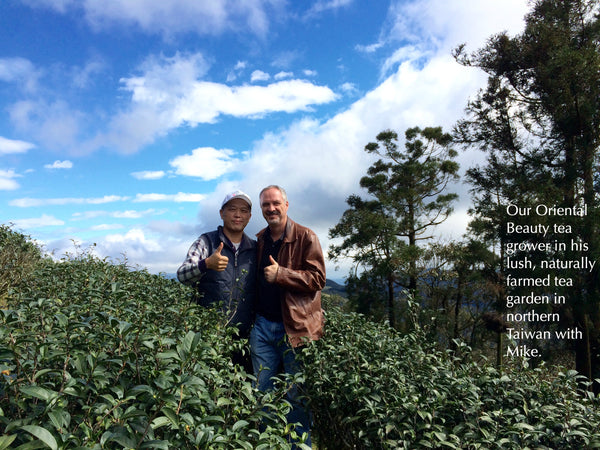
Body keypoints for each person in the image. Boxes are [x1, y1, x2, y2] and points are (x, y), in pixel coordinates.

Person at [250, 185, 326, 447]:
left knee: (297, 395)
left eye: (275, 203)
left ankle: (299, 446)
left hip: (295, 330)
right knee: (263, 393)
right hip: (262, 327)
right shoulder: (260, 239)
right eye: (265, 205)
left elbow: (318, 279)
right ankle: (269, 444)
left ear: (286, 204)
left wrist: (281, 274)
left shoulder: (306, 236)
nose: (271, 208)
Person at [177, 190, 256, 373]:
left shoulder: (255, 248)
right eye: (232, 209)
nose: (238, 215)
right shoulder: (206, 242)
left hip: (245, 338)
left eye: (243, 211)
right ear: (222, 213)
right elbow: (182, 275)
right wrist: (206, 264)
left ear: (249, 217)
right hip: (208, 336)